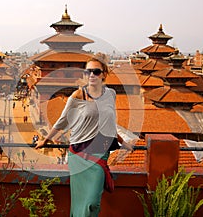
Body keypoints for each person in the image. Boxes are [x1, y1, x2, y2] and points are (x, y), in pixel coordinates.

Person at [35, 52, 134, 216]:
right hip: (80, 153)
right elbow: (63, 120)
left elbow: (109, 124)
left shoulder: (111, 94)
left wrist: (124, 142)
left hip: (100, 153)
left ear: (104, 75)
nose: (92, 75)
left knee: (92, 202)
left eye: (96, 71)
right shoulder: (78, 95)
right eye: (88, 72)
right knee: (81, 201)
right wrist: (46, 139)